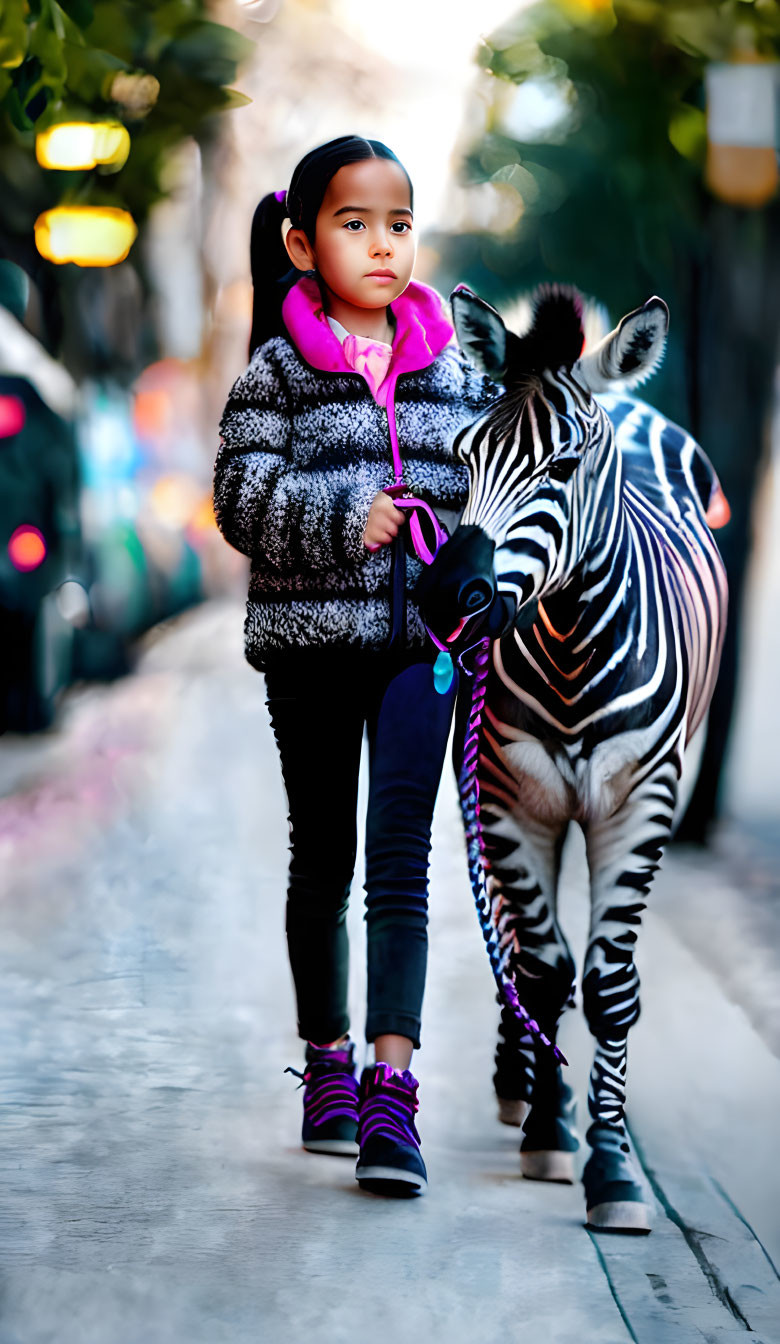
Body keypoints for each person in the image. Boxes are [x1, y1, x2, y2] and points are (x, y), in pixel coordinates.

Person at [213, 134, 503, 1198]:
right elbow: (239, 501)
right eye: (353, 223)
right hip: (310, 649)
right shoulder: (275, 373)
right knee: (322, 855)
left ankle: (394, 1096)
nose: (382, 246)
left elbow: (492, 499)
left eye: (398, 224)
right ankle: (327, 1064)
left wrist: (474, 574)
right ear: (300, 241)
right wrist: (348, 517)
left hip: (421, 654)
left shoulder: (455, 373)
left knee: (400, 866)